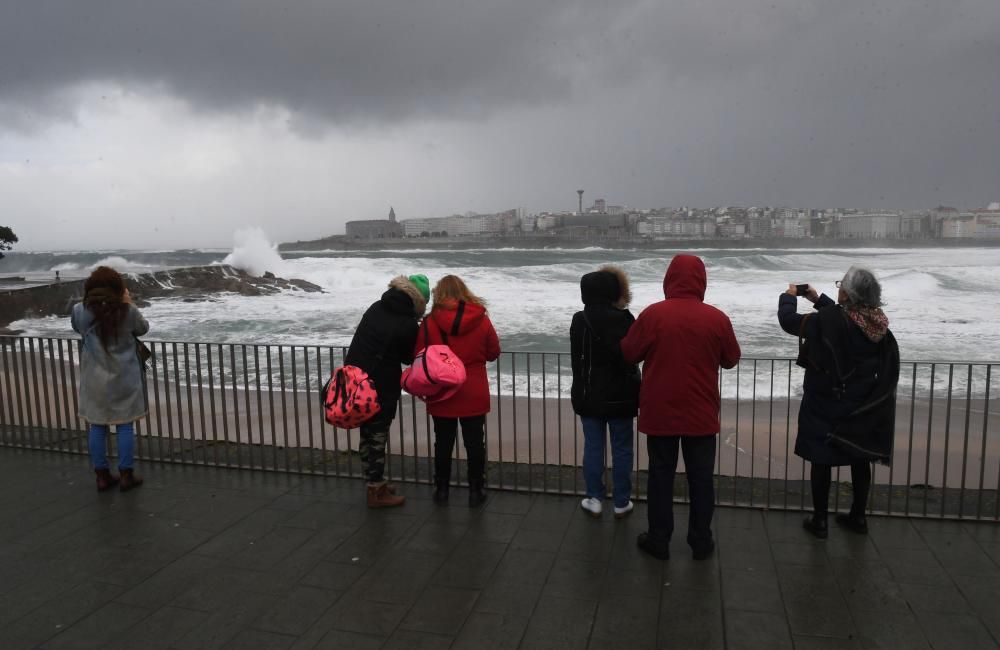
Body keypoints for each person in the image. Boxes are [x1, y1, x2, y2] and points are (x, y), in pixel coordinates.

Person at [621, 254, 741, 560]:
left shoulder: (653, 315)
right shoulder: (716, 318)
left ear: (669, 279)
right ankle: (701, 541)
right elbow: (731, 359)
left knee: (660, 476)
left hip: (660, 410)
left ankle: (659, 539)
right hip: (701, 412)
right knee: (701, 479)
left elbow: (630, 352)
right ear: (701, 282)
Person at [778, 267, 899, 538]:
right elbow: (844, 320)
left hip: (826, 400)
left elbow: (789, 322)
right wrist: (816, 298)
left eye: (841, 285)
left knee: (821, 458)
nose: (838, 288)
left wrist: (787, 297)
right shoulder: (877, 321)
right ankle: (858, 517)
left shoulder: (832, 320)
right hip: (863, 403)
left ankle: (820, 520)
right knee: (859, 457)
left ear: (848, 292)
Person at [414, 275, 500, 507]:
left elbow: (419, 355)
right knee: (474, 443)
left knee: (443, 442)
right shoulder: (481, 319)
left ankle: (441, 490)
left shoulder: (430, 322)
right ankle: (475, 490)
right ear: (464, 291)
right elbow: (493, 352)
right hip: (473, 389)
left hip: (442, 391)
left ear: (439, 293)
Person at [346, 274, 429, 508]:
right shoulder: (407, 323)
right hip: (380, 385)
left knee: (367, 434)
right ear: (419, 301)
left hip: (355, 379)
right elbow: (407, 357)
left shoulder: (376, 307)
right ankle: (376, 492)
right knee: (377, 437)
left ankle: (375, 481)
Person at [71, 266, 149, 492]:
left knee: (97, 426)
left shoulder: (79, 310)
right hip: (124, 378)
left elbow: (78, 328)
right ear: (117, 288)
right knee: (124, 425)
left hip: (94, 379)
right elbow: (143, 329)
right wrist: (129, 302)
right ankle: (126, 475)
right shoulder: (127, 311)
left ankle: (102, 476)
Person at [570, 266, 639, 519]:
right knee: (622, 448)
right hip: (621, 395)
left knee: (593, 446)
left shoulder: (580, 320)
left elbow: (578, 359)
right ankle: (621, 501)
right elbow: (632, 355)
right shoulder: (626, 319)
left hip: (589, 395)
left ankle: (594, 498)